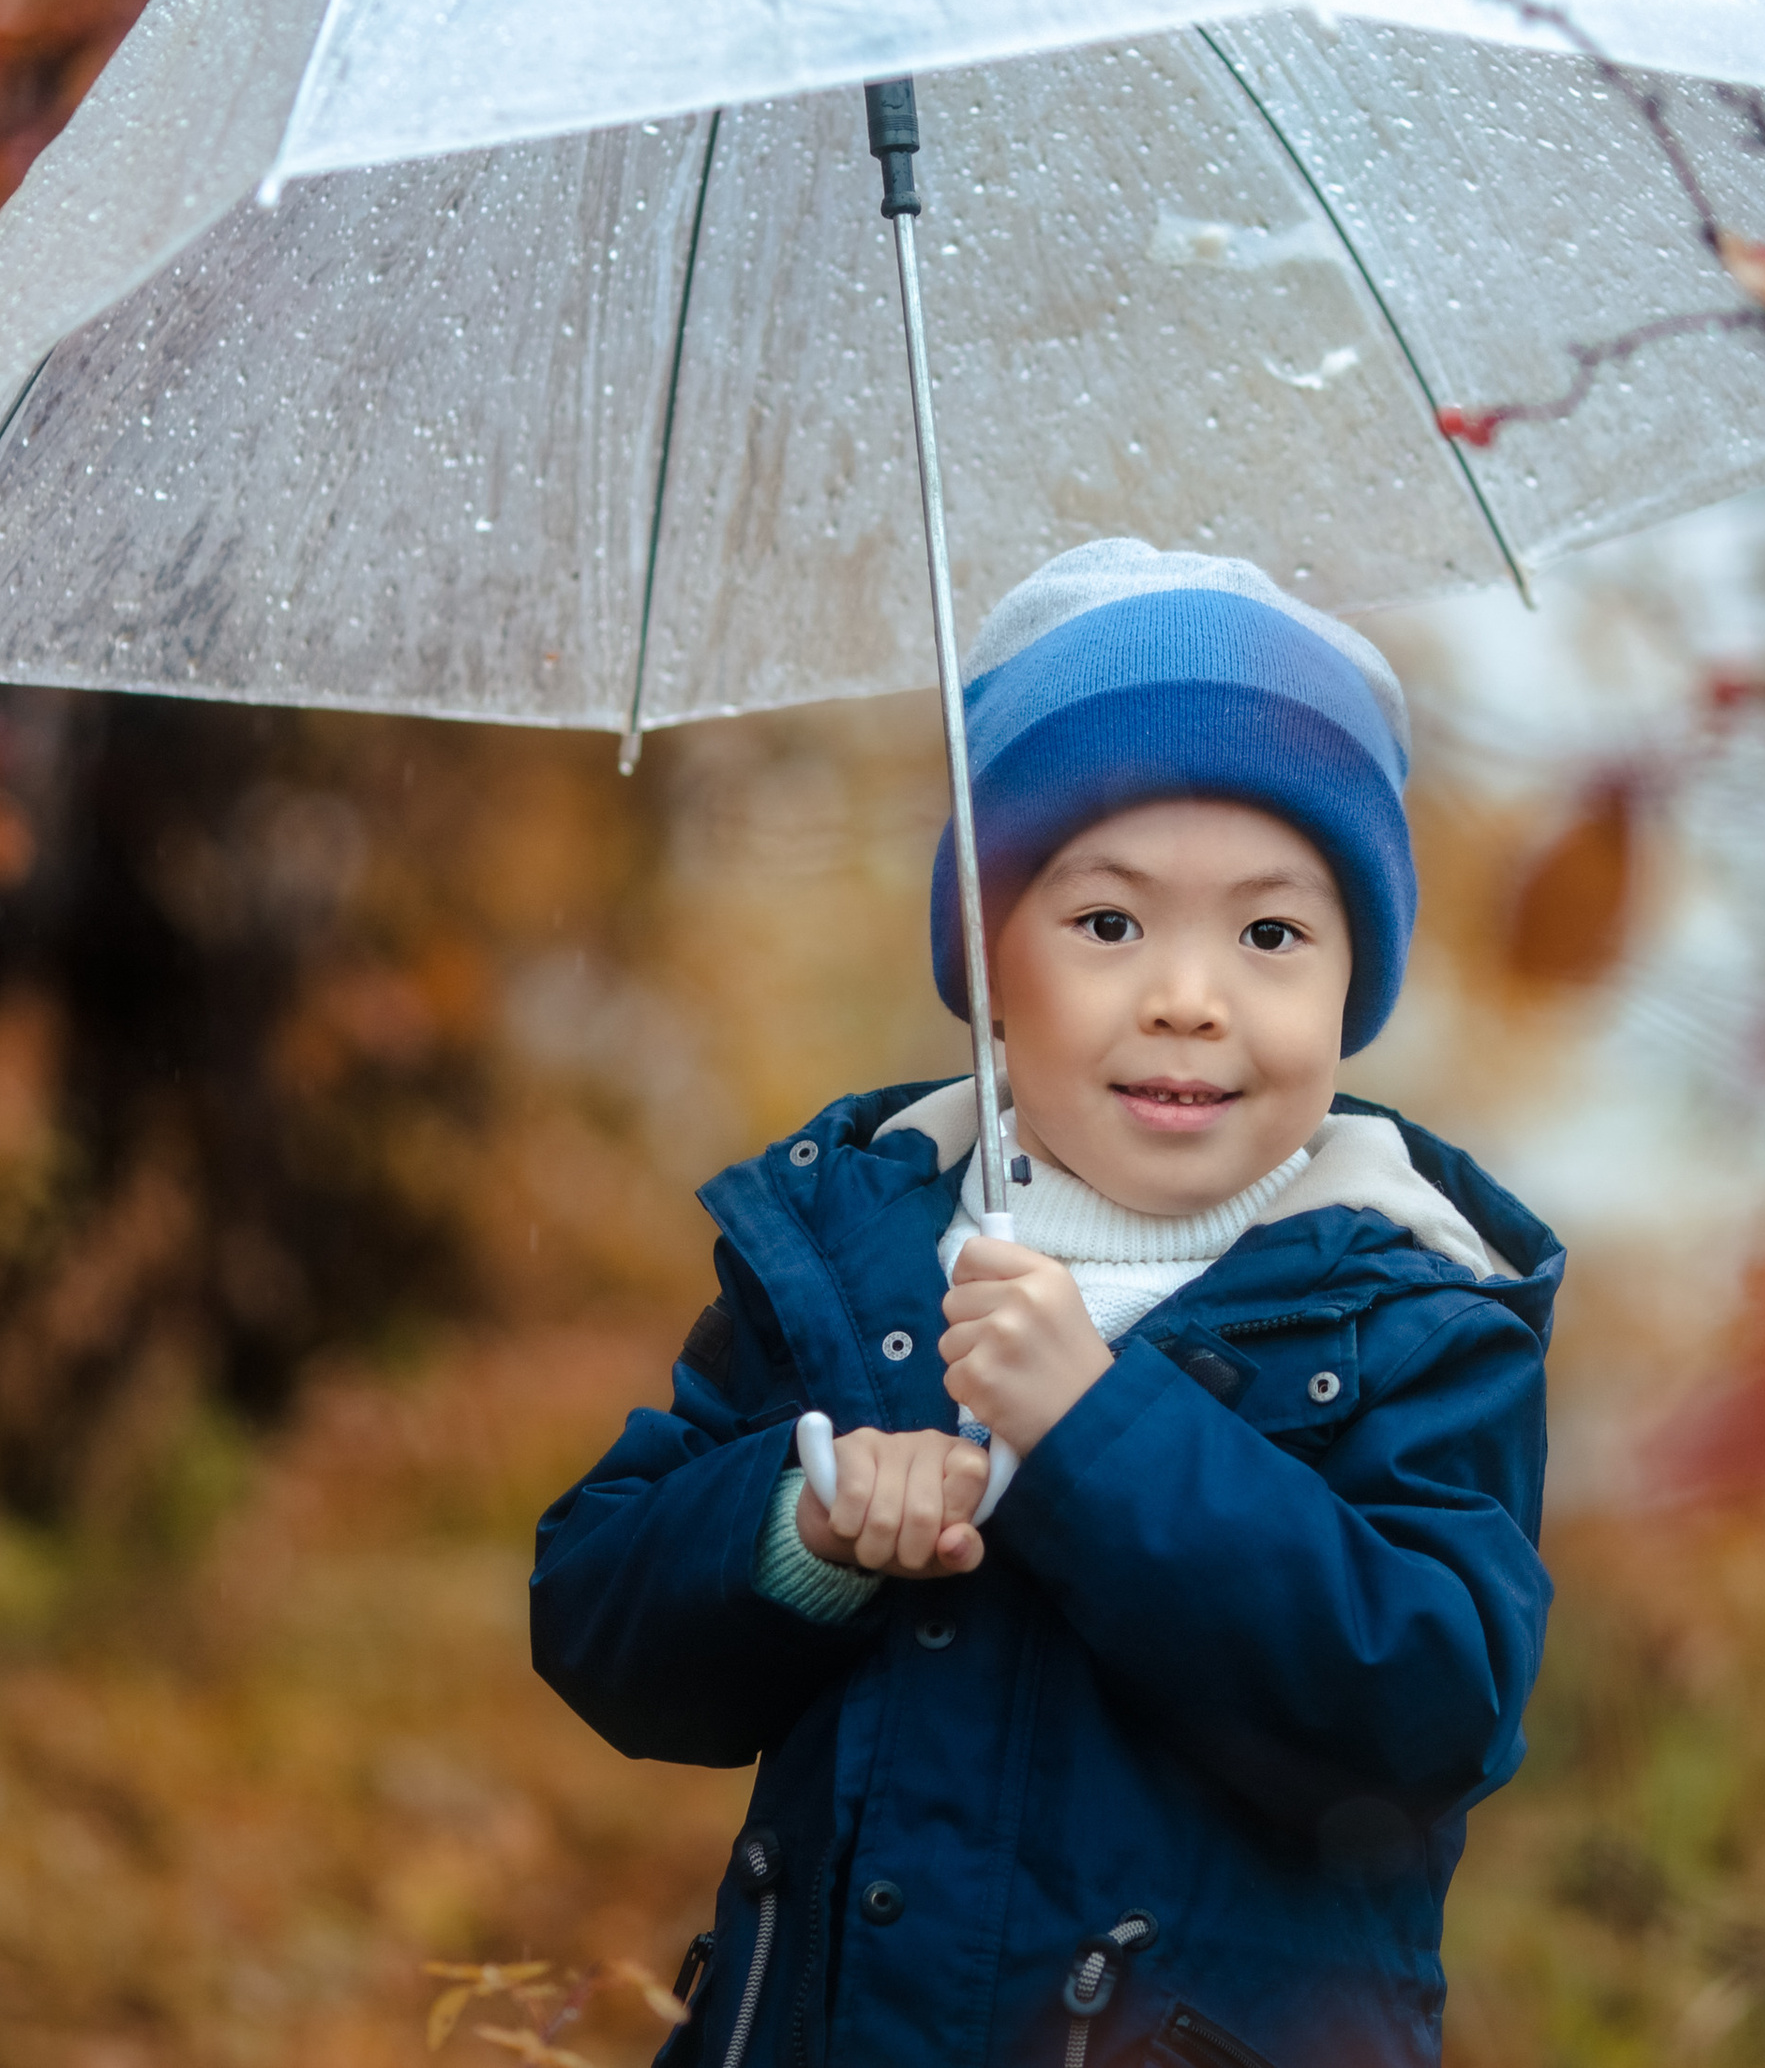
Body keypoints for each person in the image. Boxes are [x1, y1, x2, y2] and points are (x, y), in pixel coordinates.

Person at [531, 539, 1563, 2068]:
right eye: (1108, 923)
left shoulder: (1409, 1314)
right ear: (990, 967)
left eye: (1272, 934)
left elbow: (1425, 1713)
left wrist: (1095, 1433)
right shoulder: (854, 1259)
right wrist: (799, 1535)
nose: (1190, 997)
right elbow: (602, 1618)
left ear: (1354, 981)